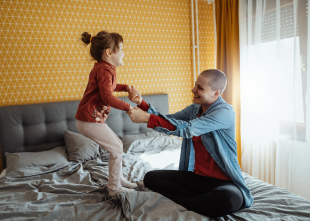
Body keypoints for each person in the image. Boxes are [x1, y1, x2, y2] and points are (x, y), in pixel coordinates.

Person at [126, 69, 253, 217]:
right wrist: (141, 104)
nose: (193, 90)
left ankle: (184, 200)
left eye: (200, 88)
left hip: (224, 182)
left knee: (230, 200)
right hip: (198, 178)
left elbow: (187, 129)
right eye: (195, 85)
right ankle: (195, 201)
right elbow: (169, 121)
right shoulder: (194, 109)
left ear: (216, 93)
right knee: (150, 178)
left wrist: (146, 118)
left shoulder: (225, 112)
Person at [75, 30, 138, 197]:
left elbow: (109, 87)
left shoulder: (104, 68)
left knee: (116, 144)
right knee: (117, 148)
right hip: (89, 120)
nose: (124, 52)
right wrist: (128, 107)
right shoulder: (104, 69)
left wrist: (125, 87)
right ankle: (114, 188)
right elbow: (107, 96)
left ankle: (119, 180)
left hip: (91, 119)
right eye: (122, 49)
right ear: (109, 52)